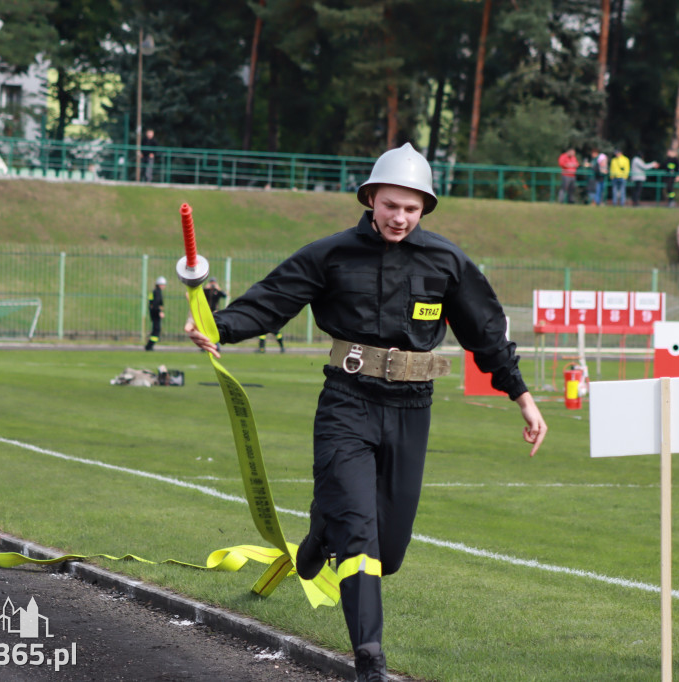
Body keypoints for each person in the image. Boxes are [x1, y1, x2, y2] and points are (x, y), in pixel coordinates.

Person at [184, 142, 547, 681]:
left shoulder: (446, 262)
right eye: (391, 205)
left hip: (412, 410)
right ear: (371, 198)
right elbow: (273, 299)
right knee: (361, 539)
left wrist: (522, 396)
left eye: (412, 208)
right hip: (347, 405)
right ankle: (369, 658)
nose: (400, 217)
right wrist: (218, 328)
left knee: (390, 552)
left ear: (424, 208)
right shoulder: (329, 255)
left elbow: (487, 333)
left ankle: (320, 532)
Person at [145, 276, 166, 351]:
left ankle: (149, 346)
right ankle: (149, 346)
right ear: (160, 285)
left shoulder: (154, 291)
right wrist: (159, 312)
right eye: (163, 285)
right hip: (156, 313)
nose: (164, 286)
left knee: (155, 329)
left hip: (153, 313)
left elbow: (151, 302)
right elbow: (156, 304)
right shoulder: (158, 292)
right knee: (157, 330)